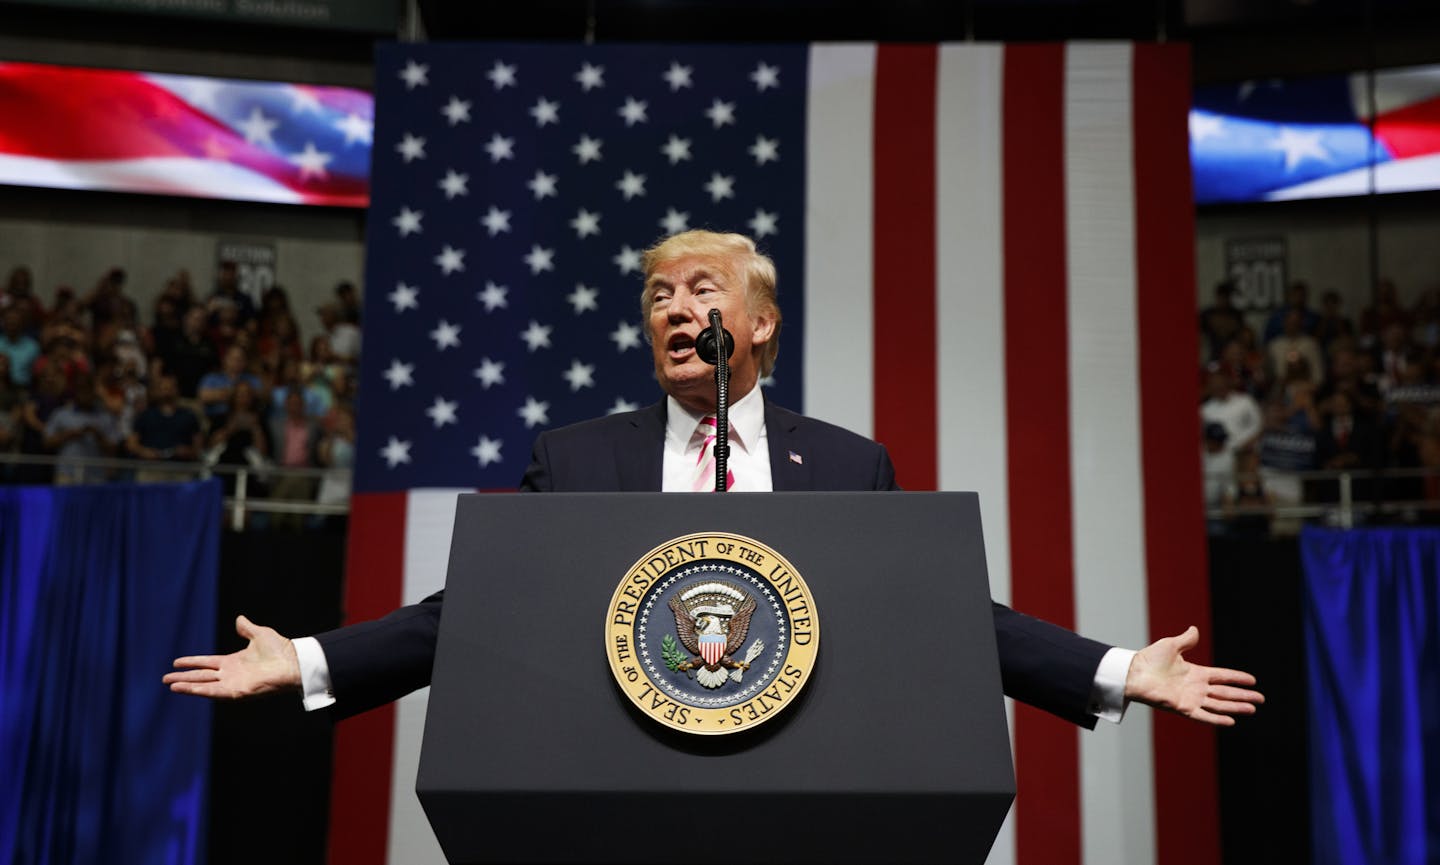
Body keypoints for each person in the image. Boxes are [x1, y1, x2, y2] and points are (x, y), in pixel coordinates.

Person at [167, 231, 1263, 731]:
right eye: (656, 297)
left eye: (700, 289)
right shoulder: (578, 456)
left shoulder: (843, 464)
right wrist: (304, 658)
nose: (675, 309)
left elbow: (944, 620)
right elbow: (473, 615)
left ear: (758, 325)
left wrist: (1123, 670)